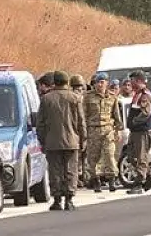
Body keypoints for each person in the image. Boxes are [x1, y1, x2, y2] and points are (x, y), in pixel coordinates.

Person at [36, 71, 86, 211]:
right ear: (67, 82)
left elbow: (40, 124)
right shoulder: (75, 98)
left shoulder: (46, 99)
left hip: (52, 141)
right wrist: (83, 139)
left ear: (54, 82)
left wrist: (43, 141)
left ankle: (57, 200)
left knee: (55, 171)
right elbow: (81, 122)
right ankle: (69, 199)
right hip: (72, 140)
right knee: (71, 170)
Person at [82, 72, 122, 192]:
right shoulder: (88, 97)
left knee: (109, 155)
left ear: (106, 83)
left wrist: (118, 130)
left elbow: (116, 115)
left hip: (108, 130)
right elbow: (84, 115)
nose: (99, 85)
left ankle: (111, 180)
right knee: (93, 157)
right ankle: (96, 181)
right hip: (93, 130)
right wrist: (84, 131)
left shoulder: (112, 97)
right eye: (97, 82)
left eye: (102, 82)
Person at [126, 70, 151, 194]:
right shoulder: (137, 94)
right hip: (135, 131)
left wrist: (134, 121)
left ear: (139, 80)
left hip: (142, 132)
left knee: (141, 157)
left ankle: (139, 184)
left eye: (132, 80)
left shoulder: (145, 95)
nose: (131, 83)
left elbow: (145, 113)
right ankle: (149, 177)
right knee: (131, 156)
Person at [69, 74, 88, 188]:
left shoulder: (85, 98)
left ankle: (85, 177)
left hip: (83, 129)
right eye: (77, 89)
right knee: (77, 157)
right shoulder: (73, 99)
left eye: (81, 89)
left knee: (84, 156)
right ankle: (76, 179)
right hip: (76, 130)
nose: (79, 91)